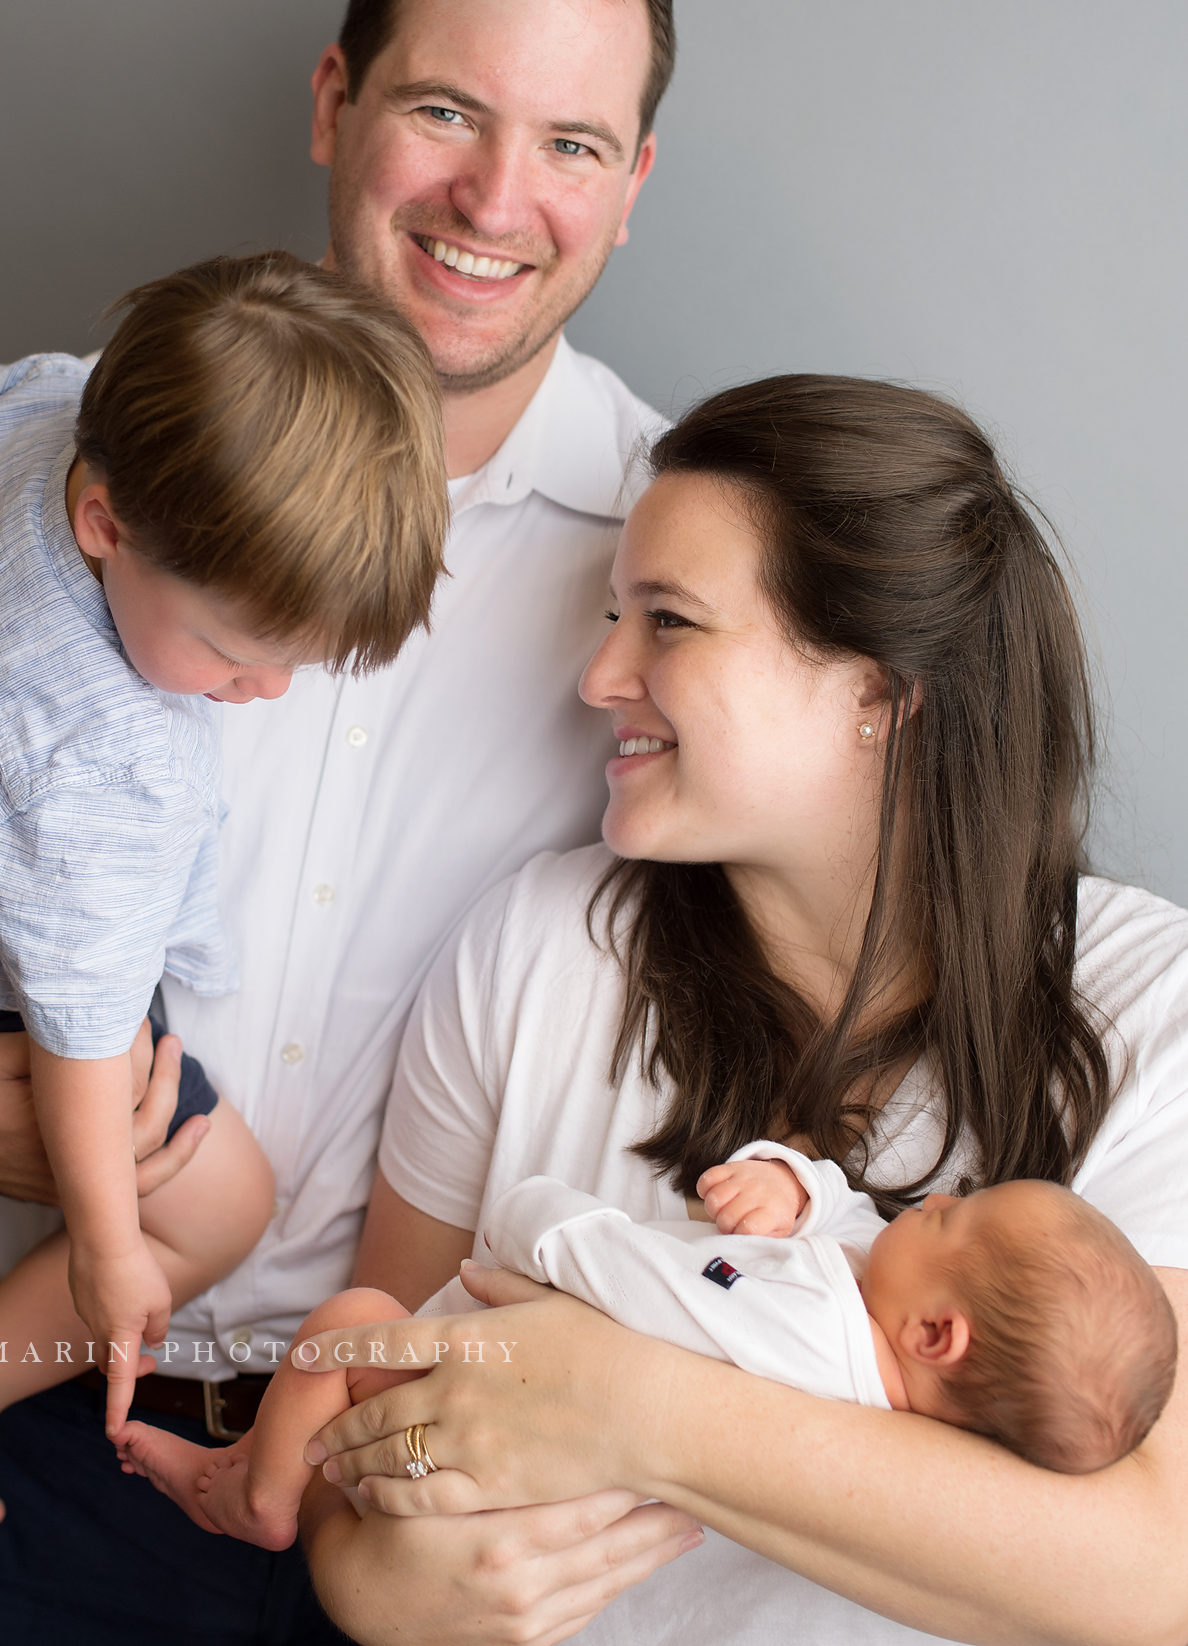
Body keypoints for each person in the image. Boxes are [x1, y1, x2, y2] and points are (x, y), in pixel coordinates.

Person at [0, 0, 693, 1644]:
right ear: (335, 105)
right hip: (33, 1440)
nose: (495, 197)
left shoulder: (687, 563)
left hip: (416, 1476)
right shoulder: (70, 459)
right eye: (442, 110)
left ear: (631, 190)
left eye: (571, 143)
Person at [289, 375, 1188, 1645]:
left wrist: (631, 1409)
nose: (600, 676)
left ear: (879, 693)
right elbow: (364, 1383)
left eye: (669, 622)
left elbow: (1157, 1574)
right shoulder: (535, 945)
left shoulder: (1157, 1011)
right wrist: (366, 1584)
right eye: (615, 614)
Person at [0, 253, 450, 1559]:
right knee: (217, 1198)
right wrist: (113, 1250)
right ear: (107, 521)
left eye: (294, 663)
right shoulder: (103, 761)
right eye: (235, 651)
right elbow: (82, 1020)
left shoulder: (35, 406)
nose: (262, 694)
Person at [110, 1141, 1175, 1548]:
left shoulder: (800, 1329)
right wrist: (797, 1184)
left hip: (500, 1371)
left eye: (952, 1218)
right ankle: (246, 1468)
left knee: (348, 1331)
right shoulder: (868, 1341)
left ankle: (257, 1494)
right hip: (546, 1424)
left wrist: (539, 1219)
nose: (935, 1200)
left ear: (938, 1333)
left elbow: (653, 1283)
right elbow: (846, 1228)